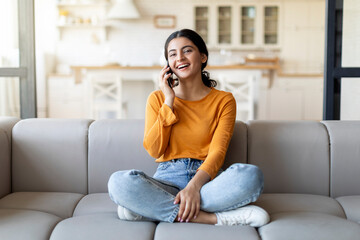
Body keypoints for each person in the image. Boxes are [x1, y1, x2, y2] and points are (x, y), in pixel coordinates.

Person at [108, 29, 270, 226]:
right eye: (173, 54)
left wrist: (194, 187)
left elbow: (218, 152)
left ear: (202, 56)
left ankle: (152, 209)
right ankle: (211, 218)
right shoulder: (157, 99)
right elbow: (154, 149)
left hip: (207, 182)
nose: (180, 58)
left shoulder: (224, 100)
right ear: (168, 64)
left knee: (251, 176)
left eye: (187, 51)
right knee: (118, 183)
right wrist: (169, 101)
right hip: (167, 181)